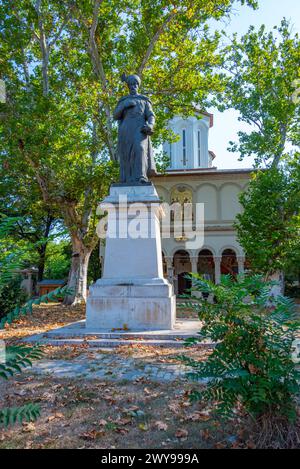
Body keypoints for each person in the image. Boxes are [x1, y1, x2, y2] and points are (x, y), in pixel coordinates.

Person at [113, 74, 157, 184]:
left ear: (138, 86)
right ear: (128, 86)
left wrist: (150, 125)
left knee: (140, 149)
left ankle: (141, 177)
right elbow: (115, 115)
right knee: (126, 154)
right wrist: (125, 105)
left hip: (140, 129)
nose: (133, 87)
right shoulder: (124, 100)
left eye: (135, 84)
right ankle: (126, 179)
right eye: (131, 85)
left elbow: (151, 115)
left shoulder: (144, 100)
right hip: (126, 130)